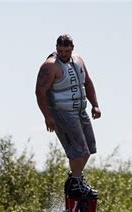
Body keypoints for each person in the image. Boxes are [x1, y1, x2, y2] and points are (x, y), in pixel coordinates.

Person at [35, 33, 101, 198]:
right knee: (78, 150)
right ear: (56, 49)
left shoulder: (78, 60)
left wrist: (95, 105)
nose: (63, 54)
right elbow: (40, 92)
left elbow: (88, 82)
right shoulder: (50, 66)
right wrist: (47, 116)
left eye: (66, 51)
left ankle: (75, 180)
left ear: (72, 48)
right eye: (60, 51)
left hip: (80, 110)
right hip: (62, 112)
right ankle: (76, 183)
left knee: (88, 149)